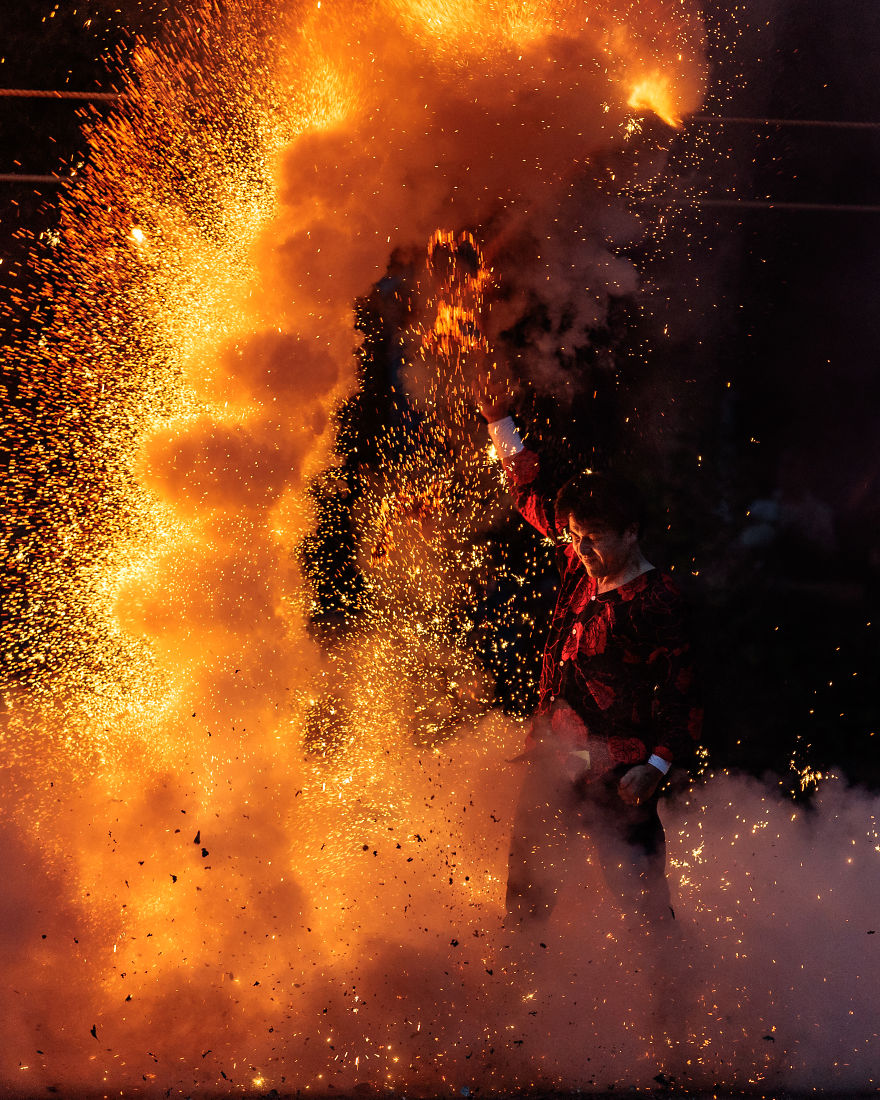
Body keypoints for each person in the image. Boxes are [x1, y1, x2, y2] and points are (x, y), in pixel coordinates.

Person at [480, 393, 702, 930]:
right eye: (575, 536)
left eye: (593, 538)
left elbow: (683, 688)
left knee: (645, 911)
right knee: (525, 903)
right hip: (553, 761)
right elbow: (532, 497)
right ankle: (512, 1004)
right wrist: (498, 421)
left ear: (631, 533)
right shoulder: (584, 566)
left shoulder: (659, 598)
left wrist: (657, 767)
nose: (579, 548)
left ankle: (673, 1007)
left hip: (620, 774)